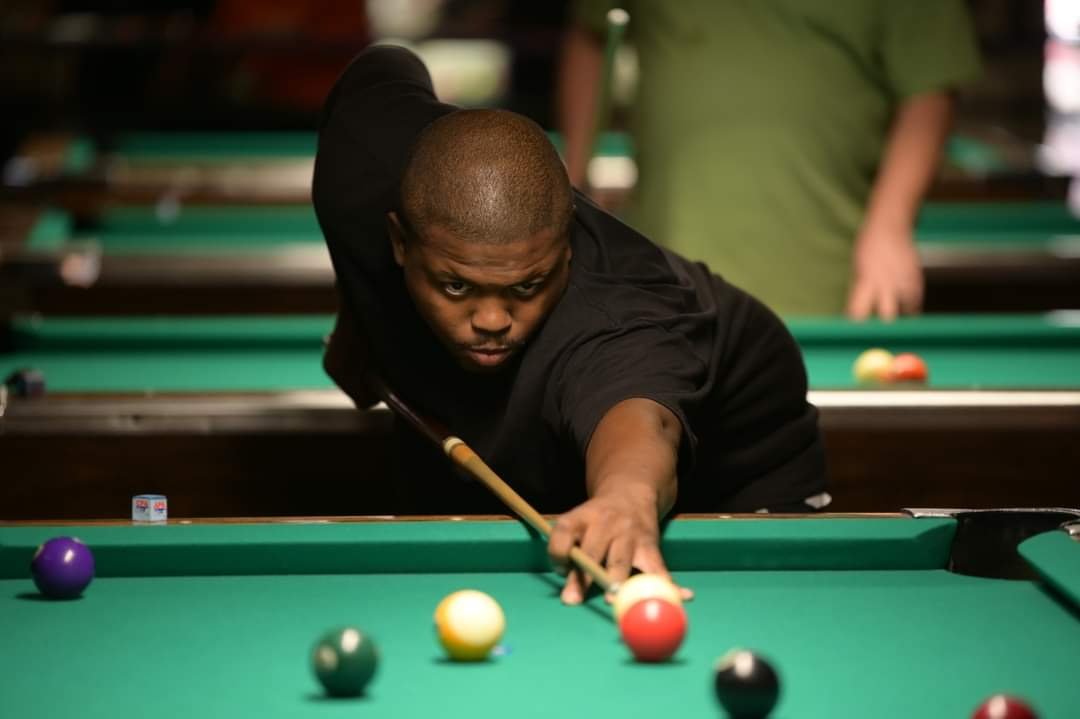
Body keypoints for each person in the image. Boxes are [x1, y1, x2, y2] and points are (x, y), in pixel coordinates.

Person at [314, 45, 827, 606]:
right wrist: (357, 318)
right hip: (510, 425)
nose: (492, 322)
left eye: (527, 286)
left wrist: (626, 496)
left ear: (565, 253)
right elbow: (381, 65)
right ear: (398, 242)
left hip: (744, 441)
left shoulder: (618, 319)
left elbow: (641, 421)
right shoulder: (360, 160)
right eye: (456, 286)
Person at [558, 1, 982, 319]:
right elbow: (590, 33)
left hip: (830, 275)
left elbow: (931, 89)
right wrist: (571, 188)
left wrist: (890, 228)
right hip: (662, 273)